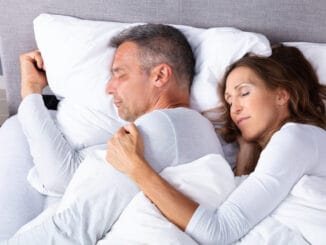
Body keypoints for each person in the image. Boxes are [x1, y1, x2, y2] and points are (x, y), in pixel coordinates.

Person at [1, 24, 224, 244]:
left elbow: (74, 225)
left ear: (160, 75)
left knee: (14, 132)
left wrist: (30, 89)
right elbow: (71, 177)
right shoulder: (195, 130)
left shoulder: (160, 127)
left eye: (120, 74)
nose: (109, 88)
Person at [106, 44, 326, 244]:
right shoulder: (297, 144)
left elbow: (219, 232)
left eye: (244, 92)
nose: (234, 109)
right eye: (229, 101)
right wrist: (247, 148)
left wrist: (136, 168)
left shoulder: (295, 137)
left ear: (281, 95)